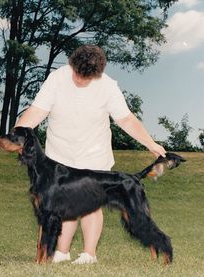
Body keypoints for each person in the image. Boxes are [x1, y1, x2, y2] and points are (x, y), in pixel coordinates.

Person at [16, 44, 166, 264]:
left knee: (92, 205)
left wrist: (150, 143)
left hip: (94, 153)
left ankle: (89, 254)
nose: (80, 80)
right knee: (62, 204)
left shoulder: (108, 86)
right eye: (77, 74)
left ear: (97, 74)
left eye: (86, 77)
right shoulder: (57, 79)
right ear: (72, 65)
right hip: (60, 152)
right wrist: (16, 134)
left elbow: (126, 119)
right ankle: (62, 252)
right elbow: (37, 110)